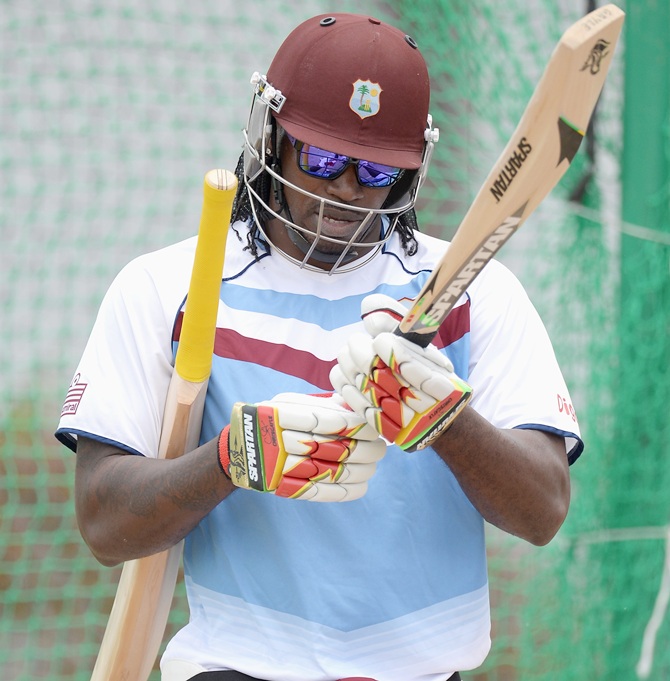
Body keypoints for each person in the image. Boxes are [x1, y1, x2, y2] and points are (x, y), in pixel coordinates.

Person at [56, 12, 582, 681]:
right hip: (236, 669)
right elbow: (103, 521)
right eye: (324, 157)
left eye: (375, 171)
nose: (344, 190)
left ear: (410, 174)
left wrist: (445, 421)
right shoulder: (168, 287)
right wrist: (235, 456)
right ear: (269, 136)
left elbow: (543, 511)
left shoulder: (477, 293)